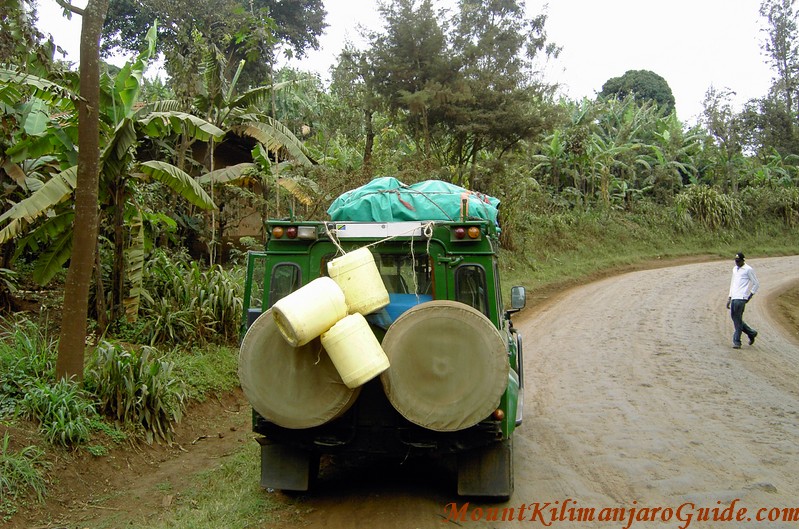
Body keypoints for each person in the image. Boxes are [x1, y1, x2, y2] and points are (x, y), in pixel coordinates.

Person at [726, 252, 759, 349]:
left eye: (739, 261)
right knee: (736, 319)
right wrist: (729, 297)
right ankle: (751, 333)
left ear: (743, 260)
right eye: (736, 261)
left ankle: (737, 341)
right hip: (734, 297)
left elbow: (756, 283)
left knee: (737, 320)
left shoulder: (748, 269)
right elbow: (733, 283)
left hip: (741, 298)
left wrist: (750, 295)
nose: (737, 263)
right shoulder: (735, 269)